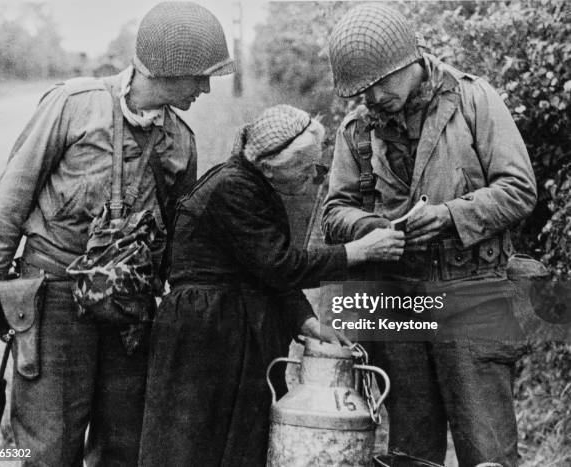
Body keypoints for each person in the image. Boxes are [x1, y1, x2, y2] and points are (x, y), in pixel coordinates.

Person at [0, 2, 234, 465]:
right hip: (53, 300)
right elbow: (13, 196)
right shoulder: (73, 104)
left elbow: (175, 241)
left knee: (123, 446)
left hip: (128, 310)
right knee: (44, 448)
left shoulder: (181, 142)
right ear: (167, 69)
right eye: (199, 76)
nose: (206, 88)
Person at [324, 4, 537, 467]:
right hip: (399, 302)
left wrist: (448, 217)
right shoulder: (357, 130)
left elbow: (519, 189)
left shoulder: (473, 100)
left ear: (410, 62)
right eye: (362, 91)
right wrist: (373, 229)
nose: (373, 97)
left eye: (381, 83)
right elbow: (333, 213)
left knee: (488, 452)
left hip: (475, 293)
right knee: (411, 453)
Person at [138, 105, 406, 467]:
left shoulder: (254, 184)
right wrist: (355, 252)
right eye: (307, 167)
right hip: (204, 332)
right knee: (193, 444)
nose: (314, 176)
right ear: (272, 164)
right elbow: (279, 265)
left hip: (225, 324)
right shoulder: (234, 187)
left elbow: (264, 269)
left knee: (238, 442)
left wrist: (305, 322)